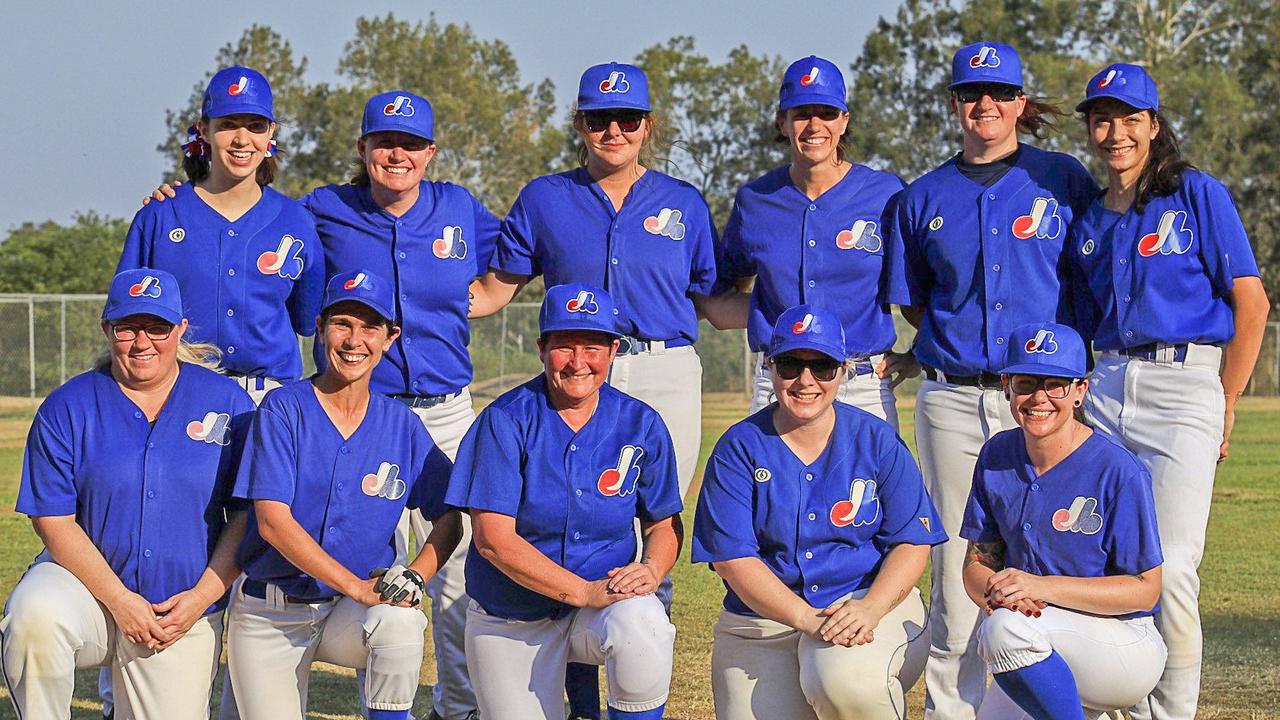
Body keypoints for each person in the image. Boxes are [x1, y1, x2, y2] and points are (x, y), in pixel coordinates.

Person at [146, 89, 500, 720]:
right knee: (336, 542)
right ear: (362, 148)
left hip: (443, 406)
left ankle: (459, 707)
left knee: (446, 575)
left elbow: (520, 260)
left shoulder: (459, 207)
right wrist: (183, 190)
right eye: (384, 142)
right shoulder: (322, 210)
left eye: (412, 143)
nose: (398, 153)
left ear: (431, 152)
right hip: (364, 402)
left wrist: (474, 300)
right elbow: (259, 222)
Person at [466, 61, 718, 718]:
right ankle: (576, 693)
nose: (613, 129)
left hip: (662, 366)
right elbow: (495, 289)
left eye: (627, 118)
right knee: (554, 511)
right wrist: (411, 308)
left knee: (647, 525)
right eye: (598, 118)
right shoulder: (546, 197)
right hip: (574, 366)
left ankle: (637, 671)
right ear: (579, 124)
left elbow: (717, 301)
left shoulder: (684, 202)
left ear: (647, 126)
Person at [886, 41, 1101, 719]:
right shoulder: (923, 196)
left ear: (1020, 103)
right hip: (954, 394)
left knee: (1060, 548)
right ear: (955, 103)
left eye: (1001, 94)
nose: (986, 105)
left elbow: (1091, 277)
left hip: (1045, 397)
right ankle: (951, 711)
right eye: (972, 94)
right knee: (957, 564)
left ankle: (1072, 698)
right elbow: (916, 301)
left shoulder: (1062, 179)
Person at [1068, 63, 1270, 719]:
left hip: (1185, 382)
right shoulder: (1091, 219)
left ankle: (1170, 714)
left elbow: (1252, 303)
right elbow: (1078, 322)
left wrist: (1227, 399)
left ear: (1154, 126)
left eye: (1130, 118)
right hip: (1105, 384)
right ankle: (1105, 699)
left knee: (1173, 567)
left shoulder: (1197, 195)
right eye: (1103, 118)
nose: (1115, 132)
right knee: (1099, 561)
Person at [1, 269, 254, 719]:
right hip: (86, 592)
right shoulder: (68, 405)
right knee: (34, 617)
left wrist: (198, 600)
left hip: (176, 607)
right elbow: (53, 520)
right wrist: (119, 601)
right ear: (107, 329)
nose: (142, 342)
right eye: (127, 327)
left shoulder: (228, 402)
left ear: (179, 329)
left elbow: (247, 514)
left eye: (157, 327)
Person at [226, 269, 461, 720]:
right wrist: (355, 584)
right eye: (342, 323)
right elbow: (273, 523)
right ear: (320, 328)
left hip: (351, 612)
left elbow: (449, 515)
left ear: (390, 338)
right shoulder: (283, 408)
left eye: (369, 326)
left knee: (401, 621)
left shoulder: (402, 425)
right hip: (272, 609)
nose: (355, 339)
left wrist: (416, 574)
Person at [693, 303, 947, 720]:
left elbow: (911, 542)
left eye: (823, 366)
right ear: (770, 368)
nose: (806, 380)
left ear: (843, 371)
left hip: (865, 604)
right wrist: (805, 619)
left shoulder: (875, 440)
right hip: (762, 624)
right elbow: (733, 560)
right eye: (791, 364)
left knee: (845, 682)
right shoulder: (738, 448)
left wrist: (872, 607)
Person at [446, 283, 682, 720]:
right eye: (564, 346)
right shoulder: (504, 420)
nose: (578, 362)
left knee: (643, 625)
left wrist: (651, 568)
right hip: (513, 613)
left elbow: (663, 524)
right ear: (541, 348)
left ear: (613, 351)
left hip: (602, 606)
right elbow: (493, 541)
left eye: (592, 346)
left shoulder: (640, 423)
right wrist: (581, 592)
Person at [961, 321, 1167, 719]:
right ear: (1006, 386)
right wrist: (999, 590)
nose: (1039, 397)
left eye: (1055, 383)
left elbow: (1145, 591)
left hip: (1122, 644)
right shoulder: (996, 455)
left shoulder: (1116, 469)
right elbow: (975, 565)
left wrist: (1038, 588)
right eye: (1026, 383)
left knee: (1002, 631)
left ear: (1079, 391)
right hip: (1032, 632)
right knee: (1004, 630)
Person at [714, 56, 915, 425]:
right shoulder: (756, 200)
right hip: (780, 378)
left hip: (861, 381)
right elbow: (721, 293)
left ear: (844, 120)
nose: (814, 125)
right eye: (802, 113)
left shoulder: (886, 194)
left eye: (826, 112)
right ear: (782, 122)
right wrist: (763, 309)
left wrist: (921, 353)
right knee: (770, 484)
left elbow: (924, 286)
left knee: (869, 484)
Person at [118, 65, 324, 405]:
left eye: (256, 126)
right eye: (228, 124)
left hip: (271, 399)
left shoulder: (295, 220)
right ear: (204, 130)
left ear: (270, 133)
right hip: (180, 393)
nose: (242, 139)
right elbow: (126, 316)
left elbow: (306, 320)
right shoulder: (161, 214)